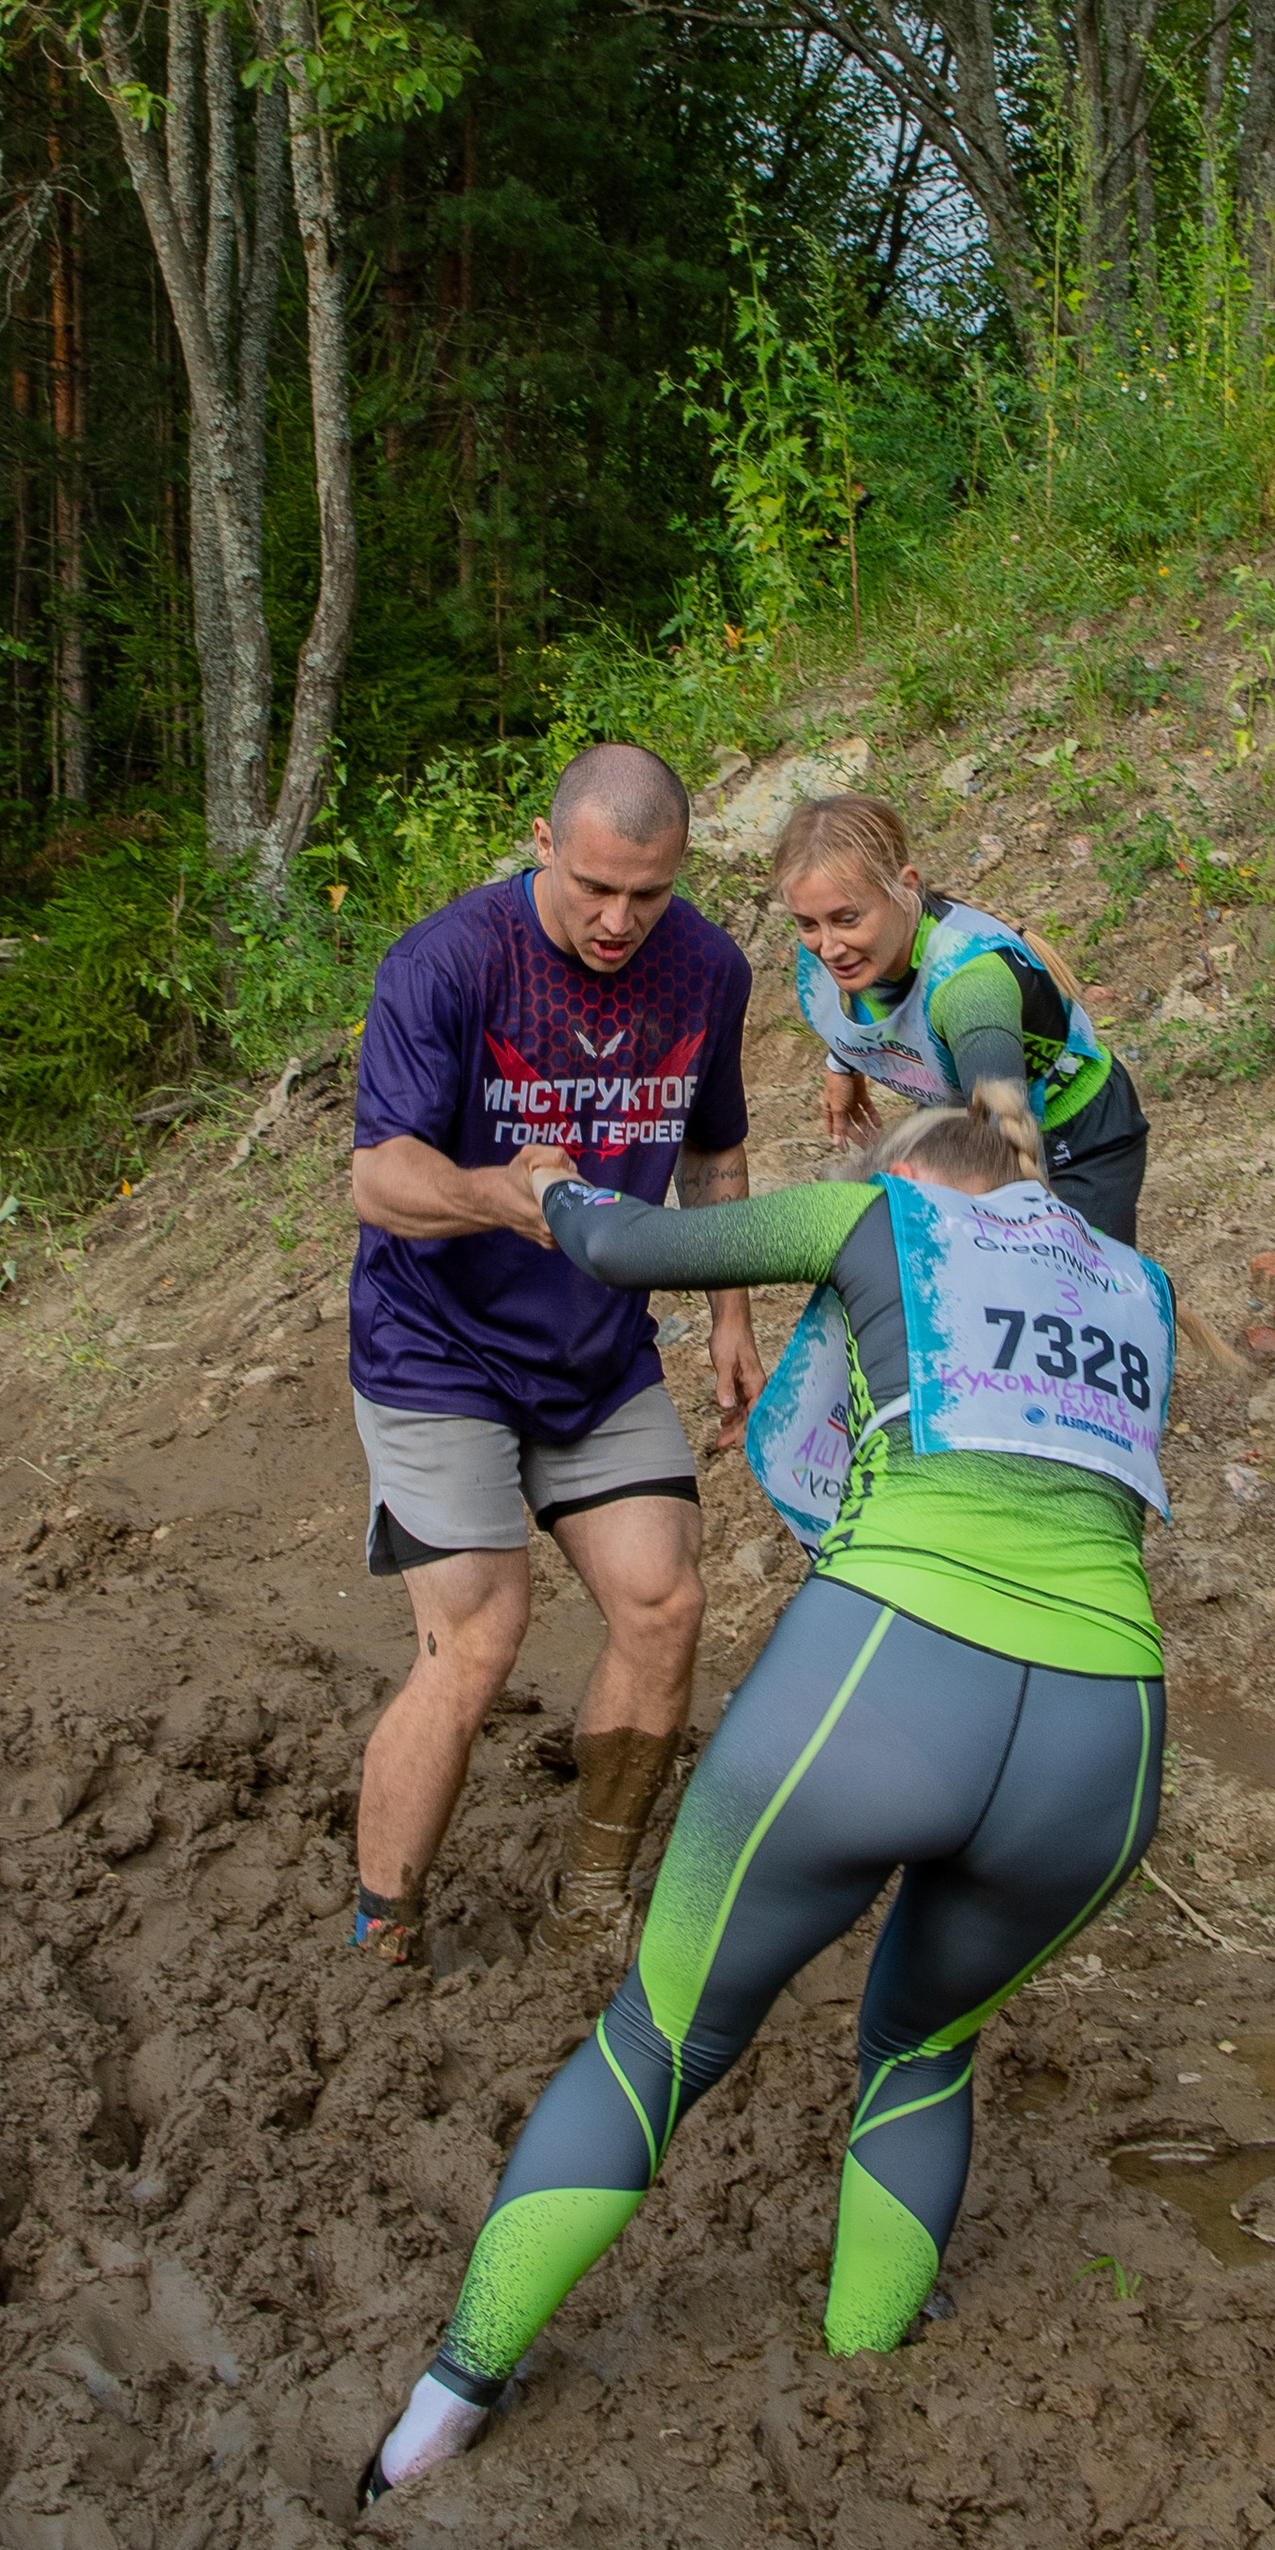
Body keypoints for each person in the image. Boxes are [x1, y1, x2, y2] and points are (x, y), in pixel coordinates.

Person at [363, 1078, 1172, 2497]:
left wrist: (544, 1186)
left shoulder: (885, 1216)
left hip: (885, 1688)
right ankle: (859, 2391)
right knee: (923, 2054)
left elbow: (626, 1249)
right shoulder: (1136, 1282)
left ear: (914, 1174)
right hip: (1106, 1746)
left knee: (657, 2042)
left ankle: (442, 2409)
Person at [345, 740, 763, 1967]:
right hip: (438, 1349)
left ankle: (594, 1897)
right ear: (543, 842)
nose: (620, 920)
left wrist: (732, 1315)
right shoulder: (449, 962)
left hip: (598, 1351)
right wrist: (504, 1198)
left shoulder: (707, 969)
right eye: (595, 889)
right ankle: (386, 1923)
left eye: (649, 893)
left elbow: (715, 1153)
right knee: (479, 1637)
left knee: (663, 1602)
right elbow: (380, 1178)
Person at [772, 790, 1151, 1244]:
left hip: (1075, 1133)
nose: (828, 947)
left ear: (906, 887)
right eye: (808, 925)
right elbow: (864, 1010)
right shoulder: (843, 948)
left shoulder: (972, 986)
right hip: (963, 1108)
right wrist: (842, 1068)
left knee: (1075, 1290)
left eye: (847, 919)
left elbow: (995, 1152)